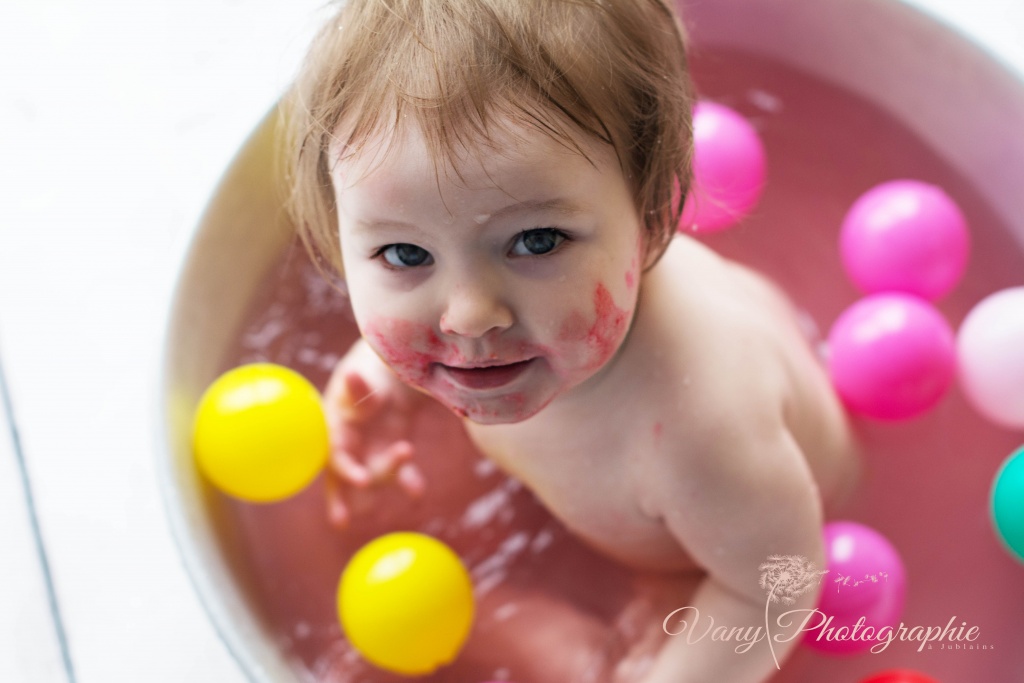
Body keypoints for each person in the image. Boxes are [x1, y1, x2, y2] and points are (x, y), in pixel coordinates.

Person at [286, 1, 860, 680]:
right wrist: (373, 380)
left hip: (732, 543)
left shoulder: (696, 428)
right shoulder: (524, 337)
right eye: (405, 256)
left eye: (536, 241)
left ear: (651, 216)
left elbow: (777, 585)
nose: (469, 317)